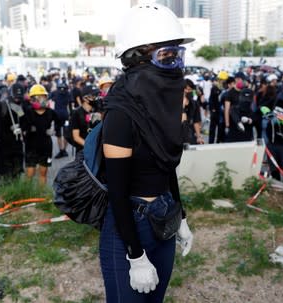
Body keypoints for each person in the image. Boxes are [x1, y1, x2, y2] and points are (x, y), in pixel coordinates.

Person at [100, 4, 194, 302]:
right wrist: (135, 255)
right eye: (166, 56)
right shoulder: (120, 113)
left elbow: (167, 167)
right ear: (136, 58)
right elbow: (117, 191)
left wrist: (181, 216)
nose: (176, 65)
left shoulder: (164, 108)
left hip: (163, 215)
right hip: (130, 222)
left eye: (178, 55)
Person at [0, 83, 26, 186]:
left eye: (20, 98)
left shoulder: (19, 107)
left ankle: (16, 198)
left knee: (17, 175)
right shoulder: (1, 106)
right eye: (15, 98)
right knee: (3, 177)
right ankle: (4, 199)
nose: (17, 100)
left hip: (17, 147)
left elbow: (25, 121)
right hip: (2, 147)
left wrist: (21, 129)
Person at [24, 84, 58, 185]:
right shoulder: (28, 112)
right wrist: (27, 130)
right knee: (30, 173)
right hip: (31, 147)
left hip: (46, 147)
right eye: (37, 97)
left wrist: (54, 129)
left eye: (43, 96)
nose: (40, 99)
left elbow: (60, 121)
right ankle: (27, 195)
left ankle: (41, 197)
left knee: (43, 173)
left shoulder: (50, 112)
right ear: (32, 99)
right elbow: (21, 124)